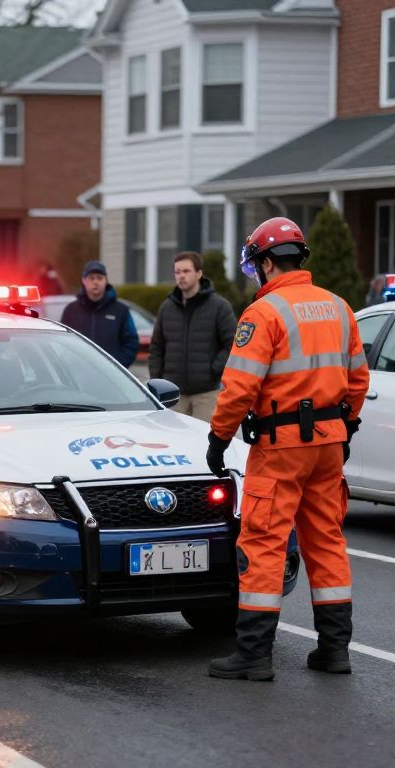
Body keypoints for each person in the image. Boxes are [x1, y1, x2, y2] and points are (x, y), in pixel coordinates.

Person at [205, 217, 369, 681]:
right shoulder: (339, 308)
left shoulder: (264, 314)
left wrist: (219, 439)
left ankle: (254, 654)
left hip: (280, 448)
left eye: (256, 264)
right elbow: (358, 380)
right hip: (329, 445)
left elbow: (239, 388)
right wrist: (346, 427)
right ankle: (335, 650)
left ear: (267, 262)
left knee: (262, 543)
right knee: (326, 543)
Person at [148, 252, 237, 421]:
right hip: (173, 395)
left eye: (186, 271)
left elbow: (233, 343)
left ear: (199, 273)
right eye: (177, 272)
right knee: (174, 441)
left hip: (206, 394)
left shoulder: (219, 306)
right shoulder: (166, 308)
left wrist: (214, 370)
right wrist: (157, 380)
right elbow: (156, 348)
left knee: (204, 442)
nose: (181, 276)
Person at [60, 260, 139, 368]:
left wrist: (119, 367)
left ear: (106, 281)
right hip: (77, 374)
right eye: (91, 278)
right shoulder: (71, 310)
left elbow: (132, 341)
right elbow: (62, 343)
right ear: (84, 280)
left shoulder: (121, 310)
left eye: (99, 278)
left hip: (111, 376)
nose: (95, 282)